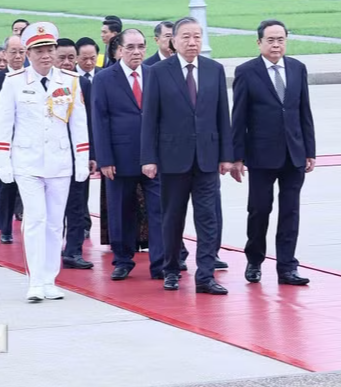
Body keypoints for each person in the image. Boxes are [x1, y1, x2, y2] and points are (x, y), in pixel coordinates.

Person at [0, 22, 91, 302]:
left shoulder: (70, 81)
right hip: (27, 161)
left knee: (53, 223)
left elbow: (79, 124)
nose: (45, 55)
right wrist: (4, 162)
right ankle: (35, 280)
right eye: (39, 50)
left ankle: (50, 278)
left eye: (49, 49)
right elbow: (3, 124)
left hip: (60, 162)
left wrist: (81, 160)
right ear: (28, 53)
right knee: (35, 219)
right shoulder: (14, 82)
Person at [141, 17, 234, 295]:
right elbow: (150, 118)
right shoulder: (158, 71)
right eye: (186, 37)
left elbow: (222, 115)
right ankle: (171, 269)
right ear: (174, 41)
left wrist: (226, 155)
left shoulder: (214, 70)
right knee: (173, 218)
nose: (192, 42)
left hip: (207, 157)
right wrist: (149, 158)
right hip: (173, 159)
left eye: (197, 37)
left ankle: (205, 275)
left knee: (208, 219)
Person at [231, 20, 315, 286]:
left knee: (290, 211)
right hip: (261, 155)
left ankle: (287, 267)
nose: (276, 44)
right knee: (259, 210)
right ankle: (254, 261)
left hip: (294, 154)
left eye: (281, 39)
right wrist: (237, 156)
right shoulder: (246, 72)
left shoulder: (297, 68)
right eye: (270, 40)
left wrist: (310, 151)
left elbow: (304, 112)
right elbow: (239, 117)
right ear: (259, 43)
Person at [94, 28, 164, 281]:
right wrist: (105, 159)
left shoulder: (154, 74)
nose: (136, 52)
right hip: (119, 158)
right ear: (120, 50)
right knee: (121, 210)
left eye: (141, 47)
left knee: (159, 210)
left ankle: (160, 262)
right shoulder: (104, 78)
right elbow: (99, 120)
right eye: (131, 47)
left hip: (153, 157)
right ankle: (123, 259)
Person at [54, 38, 96, 270]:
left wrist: (92, 154)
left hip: (78, 155)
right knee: (53, 206)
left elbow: (92, 123)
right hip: (51, 156)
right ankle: (51, 248)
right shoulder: (45, 83)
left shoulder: (83, 84)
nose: (68, 62)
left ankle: (73, 251)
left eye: (72, 57)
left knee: (78, 205)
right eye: (62, 58)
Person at [0, 35, 27, 245]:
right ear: (5, 54)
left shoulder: (32, 76)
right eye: (14, 52)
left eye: (21, 52)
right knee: (6, 186)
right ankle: (5, 228)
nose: (18, 56)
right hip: (5, 142)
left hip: (28, 142)